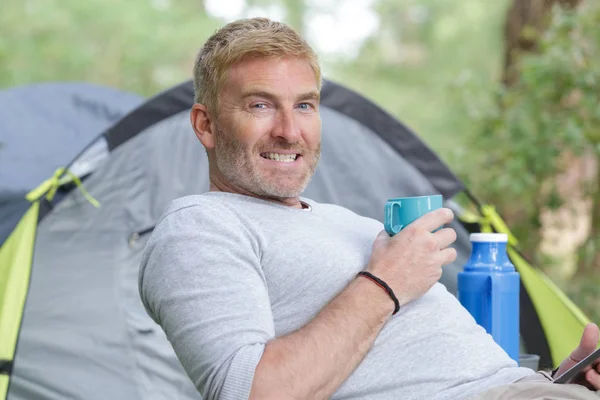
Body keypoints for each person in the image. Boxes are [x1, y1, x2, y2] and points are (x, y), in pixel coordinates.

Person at [138, 17, 600, 400]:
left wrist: (562, 379)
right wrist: (387, 283)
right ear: (206, 125)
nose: (289, 130)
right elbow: (252, 394)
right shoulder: (199, 227)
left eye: (304, 105)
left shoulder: (345, 222)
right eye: (260, 105)